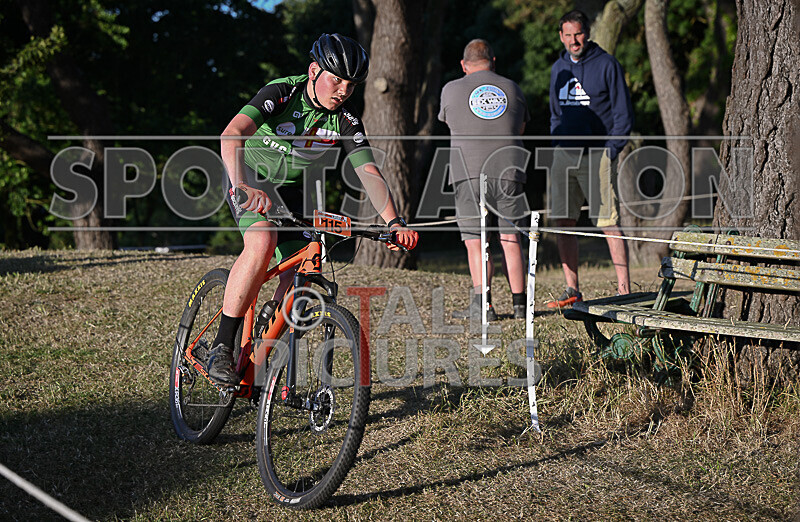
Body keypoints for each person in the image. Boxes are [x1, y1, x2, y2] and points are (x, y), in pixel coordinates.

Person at [208, 33, 419, 385]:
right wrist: (242, 185)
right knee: (261, 243)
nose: (342, 91)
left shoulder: (346, 119)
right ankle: (220, 346)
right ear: (313, 71)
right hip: (248, 176)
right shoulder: (283, 92)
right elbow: (232, 134)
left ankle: (266, 327)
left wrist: (394, 222)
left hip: (291, 189)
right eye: (336, 80)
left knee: (306, 260)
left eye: (350, 86)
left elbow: (368, 171)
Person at [438, 39, 530, 320]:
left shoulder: (451, 89)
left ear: (464, 65)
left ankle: (484, 305)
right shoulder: (512, 88)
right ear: (494, 61)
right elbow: (522, 127)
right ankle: (519, 305)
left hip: (467, 173)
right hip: (509, 170)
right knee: (510, 237)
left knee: (476, 240)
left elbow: (447, 121)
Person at [546, 9, 632, 309]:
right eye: (568, 35)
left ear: (588, 32)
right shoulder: (558, 68)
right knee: (564, 222)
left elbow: (623, 114)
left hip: (598, 154)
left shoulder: (607, 64)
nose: (574, 40)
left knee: (609, 222)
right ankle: (572, 289)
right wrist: (558, 143)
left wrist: (610, 150)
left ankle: (625, 292)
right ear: (561, 36)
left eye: (578, 33)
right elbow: (555, 113)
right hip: (564, 155)